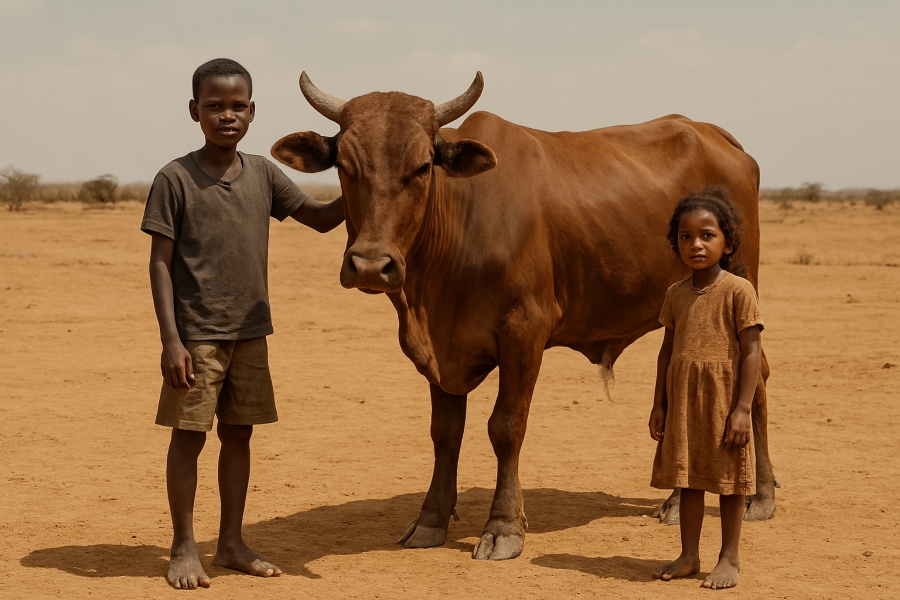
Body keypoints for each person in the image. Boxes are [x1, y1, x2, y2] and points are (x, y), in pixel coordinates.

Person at [142, 58, 344, 590]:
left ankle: (230, 542)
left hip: (251, 331)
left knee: (239, 434)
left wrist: (371, 179)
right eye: (214, 106)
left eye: (236, 106)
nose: (225, 115)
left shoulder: (263, 173)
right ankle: (184, 546)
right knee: (189, 437)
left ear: (252, 112)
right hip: (197, 336)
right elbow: (160, 262)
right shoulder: (174, 178)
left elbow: (321, 220)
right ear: (194, 111)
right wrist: (171, 340)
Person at [648, 188, 763, 590]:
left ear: (727, 242)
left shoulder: (738, 290)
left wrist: (743, 409)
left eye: (707, 235)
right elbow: (666, 352)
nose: (695, 243)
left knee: (729, 481)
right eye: (685, 236)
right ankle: (689, 555)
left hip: (724, 400)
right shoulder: (675, 294)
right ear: (676, 242)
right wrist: (658, 404)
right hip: (683, 402)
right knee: (690, 478)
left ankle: (729, 558)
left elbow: (751, 353)